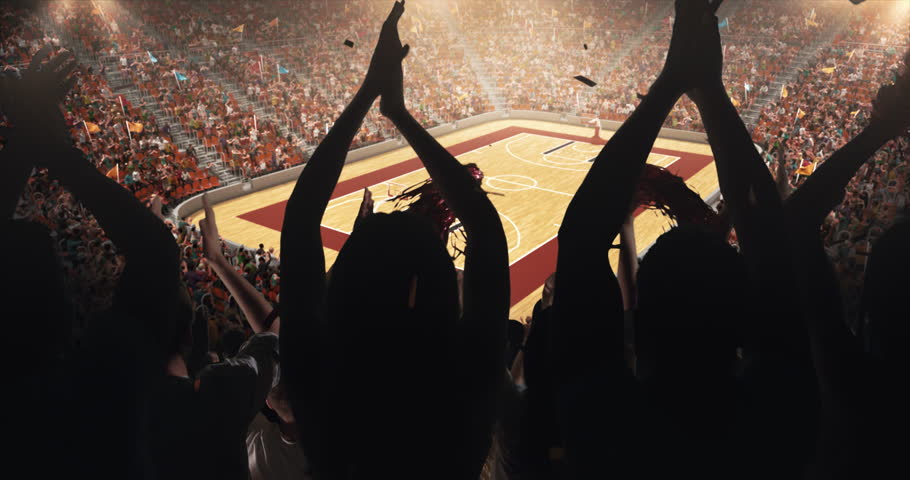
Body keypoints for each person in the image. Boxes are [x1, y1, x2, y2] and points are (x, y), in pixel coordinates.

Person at [279, 2, 509, 477]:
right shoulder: (461, 385)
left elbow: (299, 219)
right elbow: (487, 232)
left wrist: (369, 92)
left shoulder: (322, 389)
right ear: (416, 290)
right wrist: (398, 113)